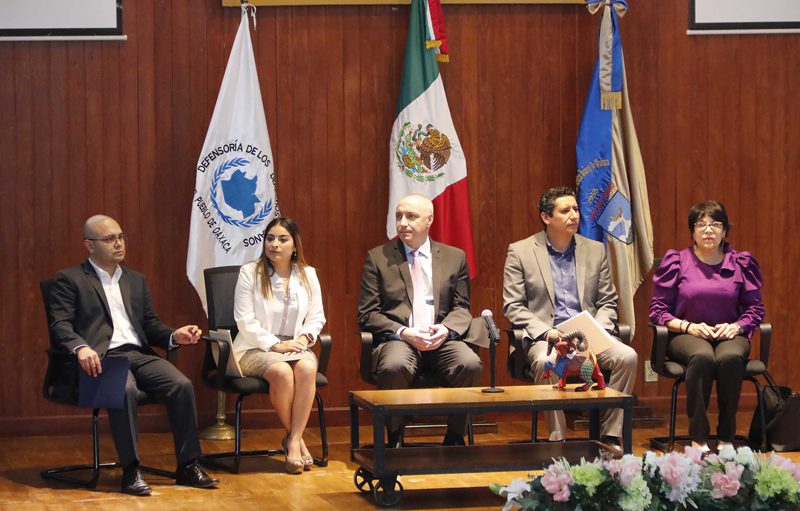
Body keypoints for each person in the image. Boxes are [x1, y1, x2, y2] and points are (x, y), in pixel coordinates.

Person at [48, 215, 219, 496]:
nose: (119, 243)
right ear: (89, 245)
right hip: (100, 358)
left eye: (121, 237)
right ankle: (131, 470)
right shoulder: (70, 279)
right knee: (124, 389)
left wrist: (174, 335)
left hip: (137, 353)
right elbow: (60, 325)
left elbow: (149, 325)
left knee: (181, 384)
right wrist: (81, 347)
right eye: (110, 239)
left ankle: (188, 465)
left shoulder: (135, 279)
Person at [502, 187, 638, 449]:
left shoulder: (595, 250)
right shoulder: (520, 251)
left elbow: (608, 301)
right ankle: (558, 440)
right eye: (565, 211)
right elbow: (513, 306)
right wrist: (548, 333)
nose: (574, 215)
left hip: (589, 336)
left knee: (628, 356)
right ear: (546, 217)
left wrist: (598, 329)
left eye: (576, 209)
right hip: (549, 337)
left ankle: (610, 435)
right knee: (546, 362)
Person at [358, 194, 483, 447]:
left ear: (429, 220)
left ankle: (455, 436)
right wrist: (403, 332)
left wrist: (446, 329)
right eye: (398, 216)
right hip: (400, 340)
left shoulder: (454, 257)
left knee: (470, 364)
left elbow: (462, 308)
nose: (402, 223)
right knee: (393, 367)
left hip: (441, 338)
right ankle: (395, 437)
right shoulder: (378, 257)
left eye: (411, 216)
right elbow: (367, 313)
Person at [650, 200, 765, 452]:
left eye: (715, 224)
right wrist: (687, 327)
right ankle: (699, 439)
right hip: (686, 333)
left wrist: (737, 327)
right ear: (692, 231)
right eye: (701, 224)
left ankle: (726, 438)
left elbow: (755, 309)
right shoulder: (677, 261)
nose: (708, 230)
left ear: (725, 231)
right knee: (702, 356)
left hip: (729, 332)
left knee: (731, 357)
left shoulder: (740, 263)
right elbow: (658, 311)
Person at [232, 217, 325, 474]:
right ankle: (297, 440)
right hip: (254, 348)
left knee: (307, 368)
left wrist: (304, 339)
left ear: (295, 245)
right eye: (270, 238)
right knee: (282, 372)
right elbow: (244, 320)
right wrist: (275, 345)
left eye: (283, 239)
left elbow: (317, 317)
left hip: (296, 345)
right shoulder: (250, 272)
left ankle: (292, 440)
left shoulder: (308, 275)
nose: (274, 244)